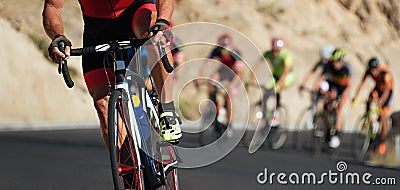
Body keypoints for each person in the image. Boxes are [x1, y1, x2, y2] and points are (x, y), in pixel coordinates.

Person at [42, 0, 182, 145]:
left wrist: (162, 22)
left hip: (137, 11)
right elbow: (53, 7)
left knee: (151, 32)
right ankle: (128, 165)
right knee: (102, 102)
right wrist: (57, 37)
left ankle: (168, 111)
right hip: (98, 27)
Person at [198, 33, 244, 126]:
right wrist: (201, 76)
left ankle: (229, 122)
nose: (223, 50)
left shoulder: (235, 52)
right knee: (211, 83)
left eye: (225, 48)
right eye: (221, 48)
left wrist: (232, 85)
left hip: (234, 74)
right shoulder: (216, 50)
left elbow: (239, 73)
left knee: (228, 96)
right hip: (223, 70)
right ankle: (213, 105)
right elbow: (207, 63)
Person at [352, 58, 394, 154]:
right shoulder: (369, 72)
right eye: (371, 70)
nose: (373, 72)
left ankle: (383, 142)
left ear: (378, 68)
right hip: (378, 89)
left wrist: (381, 101)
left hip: (387, 92)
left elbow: (387, 90)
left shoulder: (385, 74)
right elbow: (361, 84)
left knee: (383, 116)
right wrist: (355, 96)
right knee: (369, 98)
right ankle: (367, 118)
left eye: (375, 69)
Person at [316, 48, 352, 148]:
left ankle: (337, 133)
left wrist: (343, 96)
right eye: (334, 61)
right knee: (326, 107)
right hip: (334, 88)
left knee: (338, 109)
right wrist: (317, 89)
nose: (335, 64)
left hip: (343, 90)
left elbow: (349, 85)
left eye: (337, 61)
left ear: (341, 61)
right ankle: (326, 130)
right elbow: (321, 78)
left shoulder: (347, 68)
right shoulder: (329, 66)